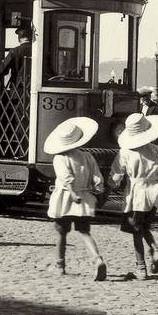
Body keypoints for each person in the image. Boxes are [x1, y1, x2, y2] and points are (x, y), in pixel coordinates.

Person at [110, 113, 158, 280]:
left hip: (136, 193)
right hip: (154, 193)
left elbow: (116, 176)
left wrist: (111, 185)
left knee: (135, 230)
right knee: (143, 226)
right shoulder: (157, 151)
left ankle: (141, 267)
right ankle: (154, 250)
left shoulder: (125, 153)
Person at [45, 117, 107, 280]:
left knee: (61, 233)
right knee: (85, 232)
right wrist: (98, 191)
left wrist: (73, 193)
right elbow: (97, 178)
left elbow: (66, 178)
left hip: (65, 200)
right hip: (85, 198)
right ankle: (97, 258)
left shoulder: (59, 158)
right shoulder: (87, 156)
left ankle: (60, 266)